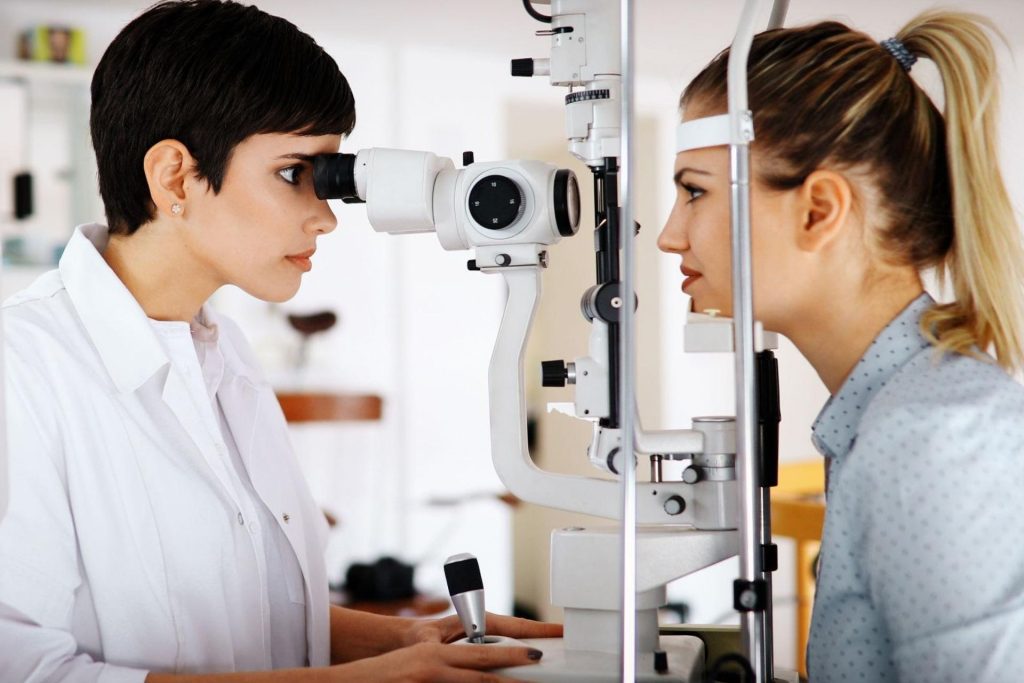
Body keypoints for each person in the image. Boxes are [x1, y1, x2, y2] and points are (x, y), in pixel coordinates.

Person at [0, 1, 559, 681]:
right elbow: (28, 670)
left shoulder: (223, 353)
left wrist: (409, 638)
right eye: (296, 172)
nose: (324, 216)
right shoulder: (22, 370)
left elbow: (253, 611)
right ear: (175, 175)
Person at [658, 9, 1024, 683]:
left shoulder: (932, 436)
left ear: (819, 210)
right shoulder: (884, 416)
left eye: (693, 193)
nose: (669, 234)